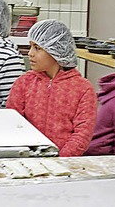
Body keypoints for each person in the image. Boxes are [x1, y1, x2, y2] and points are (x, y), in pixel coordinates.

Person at [6, 19, 97, 157]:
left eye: (37, 48)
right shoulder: (24, 82)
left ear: (56, 51)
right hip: (26, 159)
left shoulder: (82, 89)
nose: (30, 53)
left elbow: (82, 133)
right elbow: (12, 122)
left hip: (66, 163)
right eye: (30, 47)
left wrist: (61, 160)